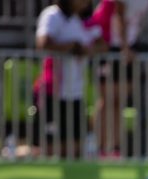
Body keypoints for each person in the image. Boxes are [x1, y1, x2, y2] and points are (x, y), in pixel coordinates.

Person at [90, 0, 148, 156]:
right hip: (107, 44)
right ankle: (98, 148)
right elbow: (119, 14)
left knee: (120, 101)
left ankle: (115, 149)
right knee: (107, 100)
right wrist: (124, 48)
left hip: (128, 45)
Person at [34, 0, 106, 158]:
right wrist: (72, 47)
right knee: (51, 148)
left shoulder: (84, 20)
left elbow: (103, 45)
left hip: (76, 93)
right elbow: (43, 43)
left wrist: (88, 50)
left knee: (77, 146)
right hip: (53, 91)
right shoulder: (52, 15)